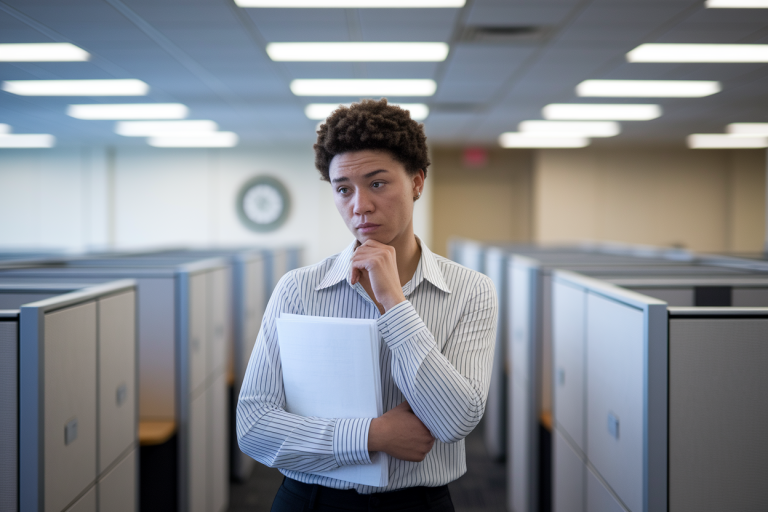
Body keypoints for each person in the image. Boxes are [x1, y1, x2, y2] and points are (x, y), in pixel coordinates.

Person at [236, 98, 498, 512]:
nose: (359, 205)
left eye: (377, 183)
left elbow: (454, 422)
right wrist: (371, 435)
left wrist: (394, 304)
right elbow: (254, 426)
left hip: (417, 502)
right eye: (343, 189)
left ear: (416, 182)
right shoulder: (299, 290)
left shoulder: (470, 290)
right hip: (311, 500)